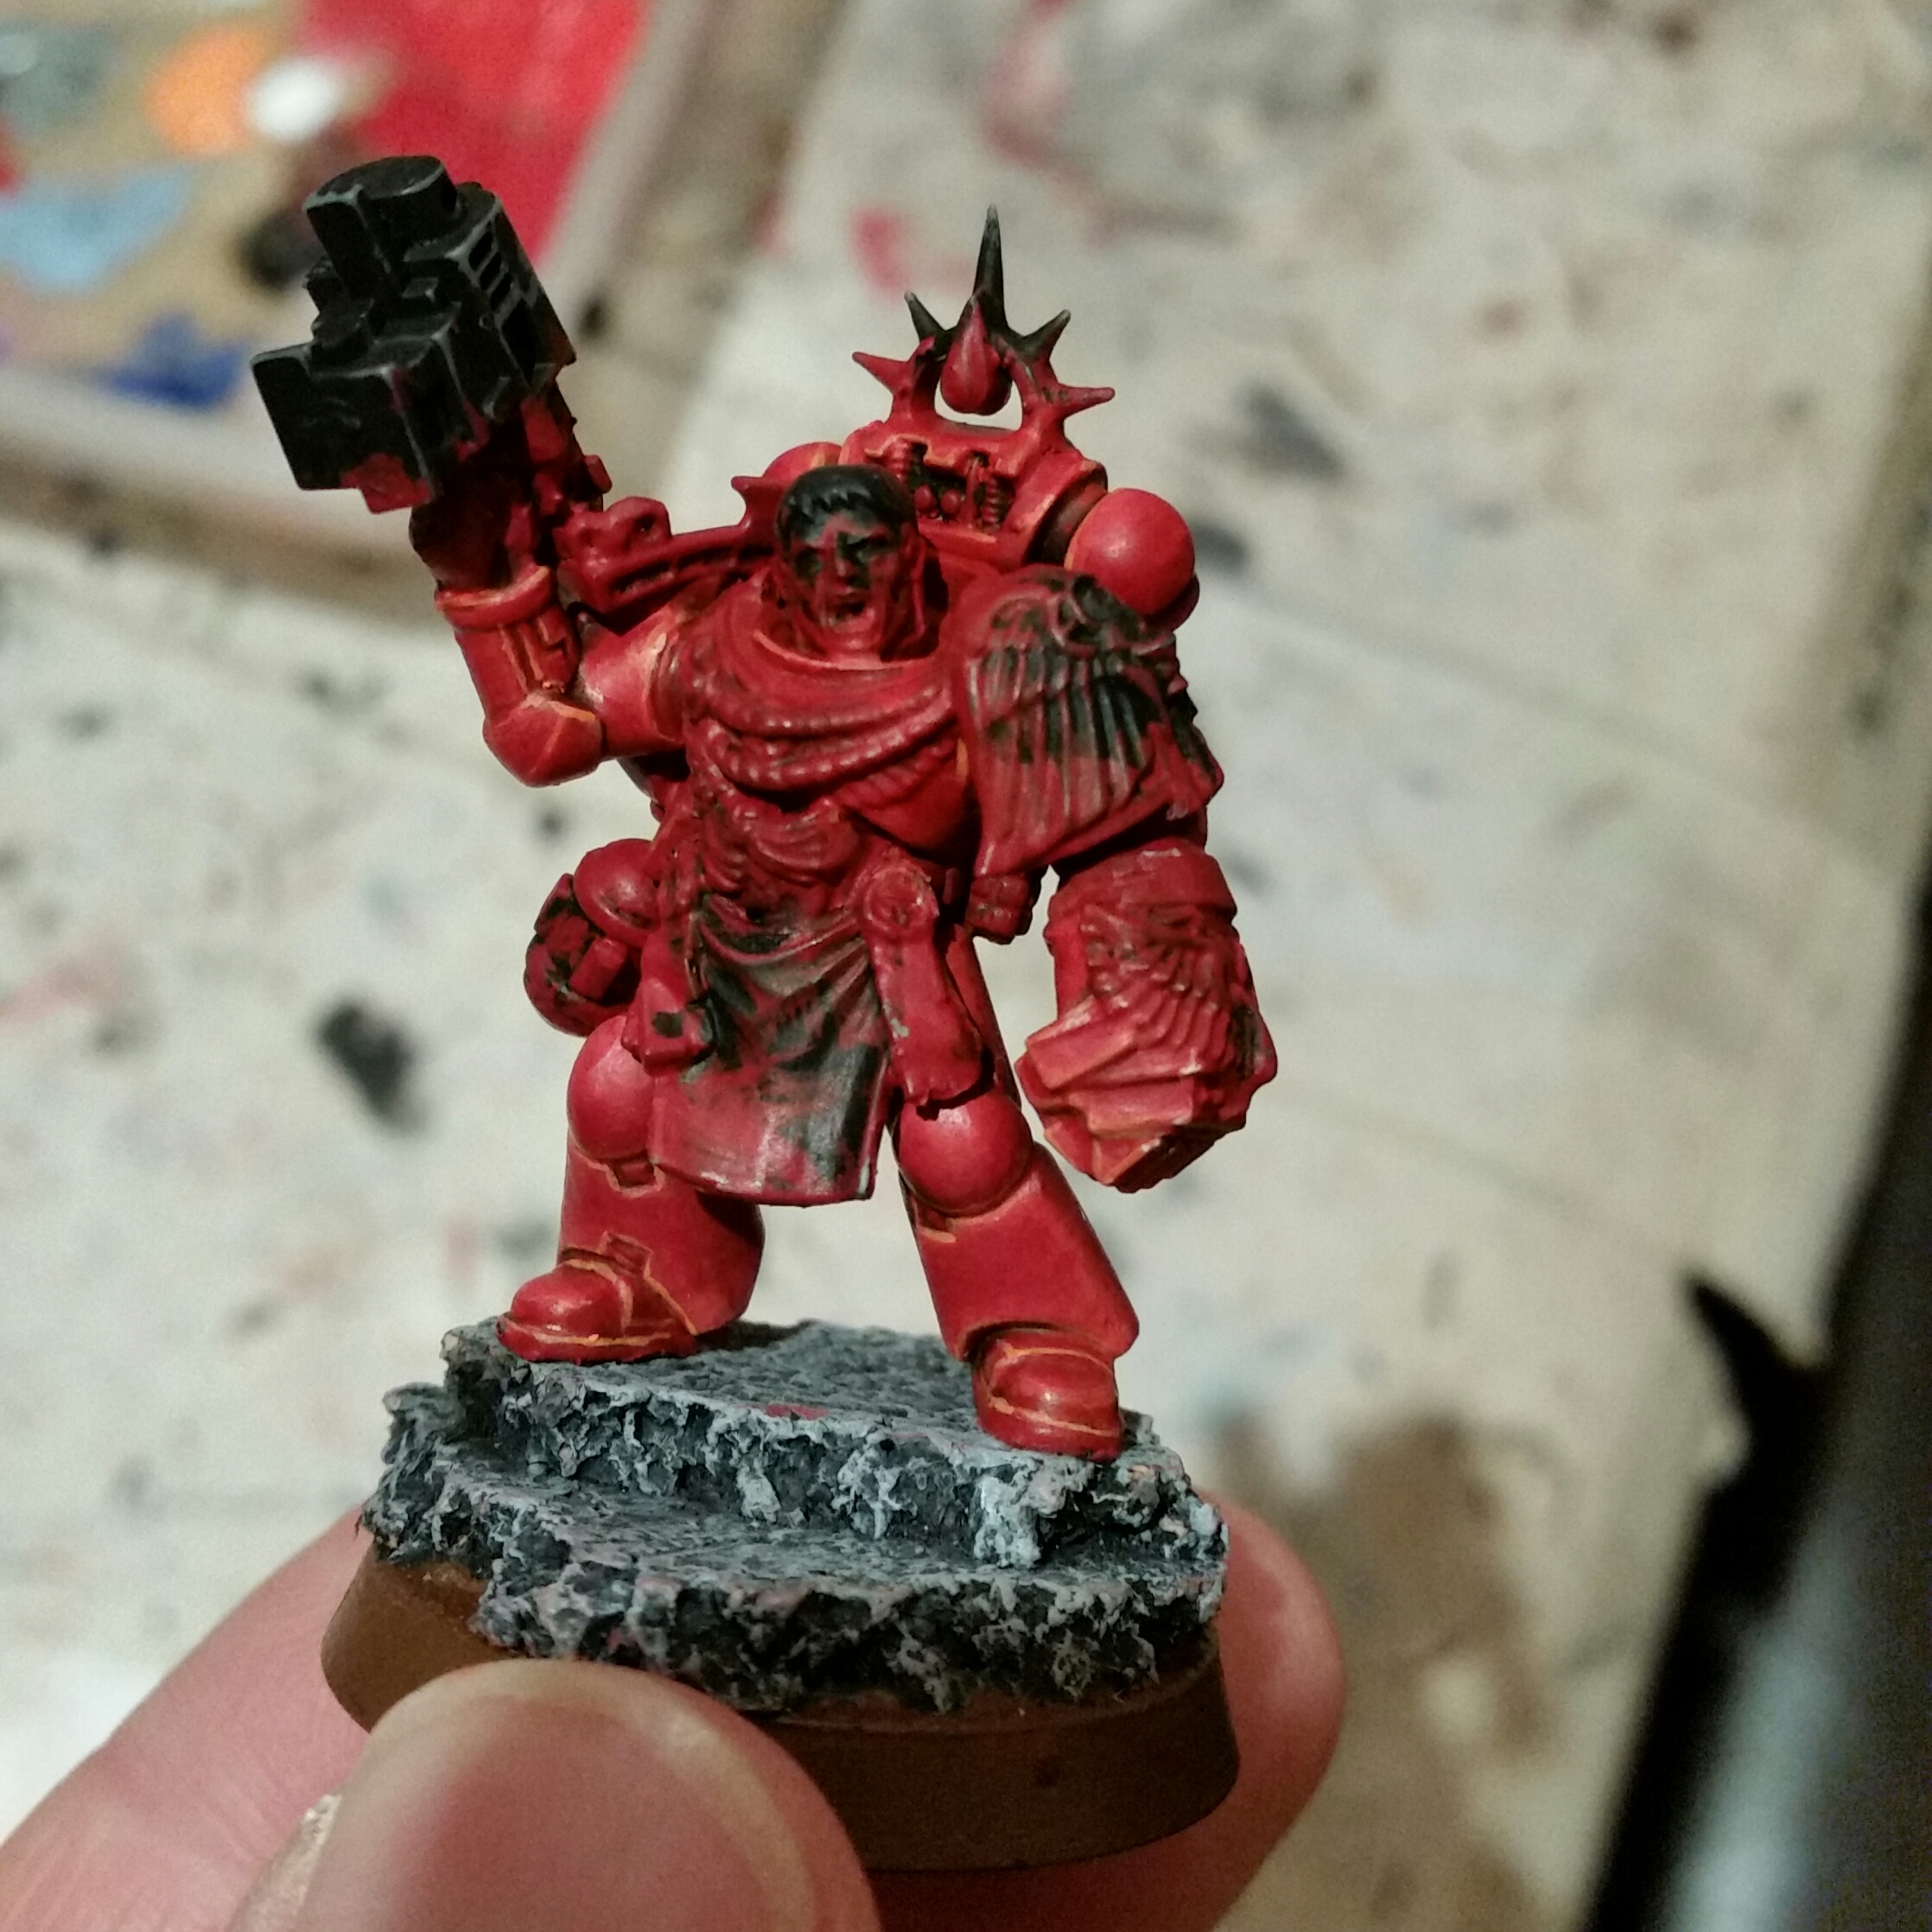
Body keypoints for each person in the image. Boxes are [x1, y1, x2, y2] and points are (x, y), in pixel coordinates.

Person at [0, 1506, 1343, 1931]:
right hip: (710, 1015)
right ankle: (637, 1274)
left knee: (963, 1146)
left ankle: (1029, 1326)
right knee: (632, 1103)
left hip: (905, 1008)